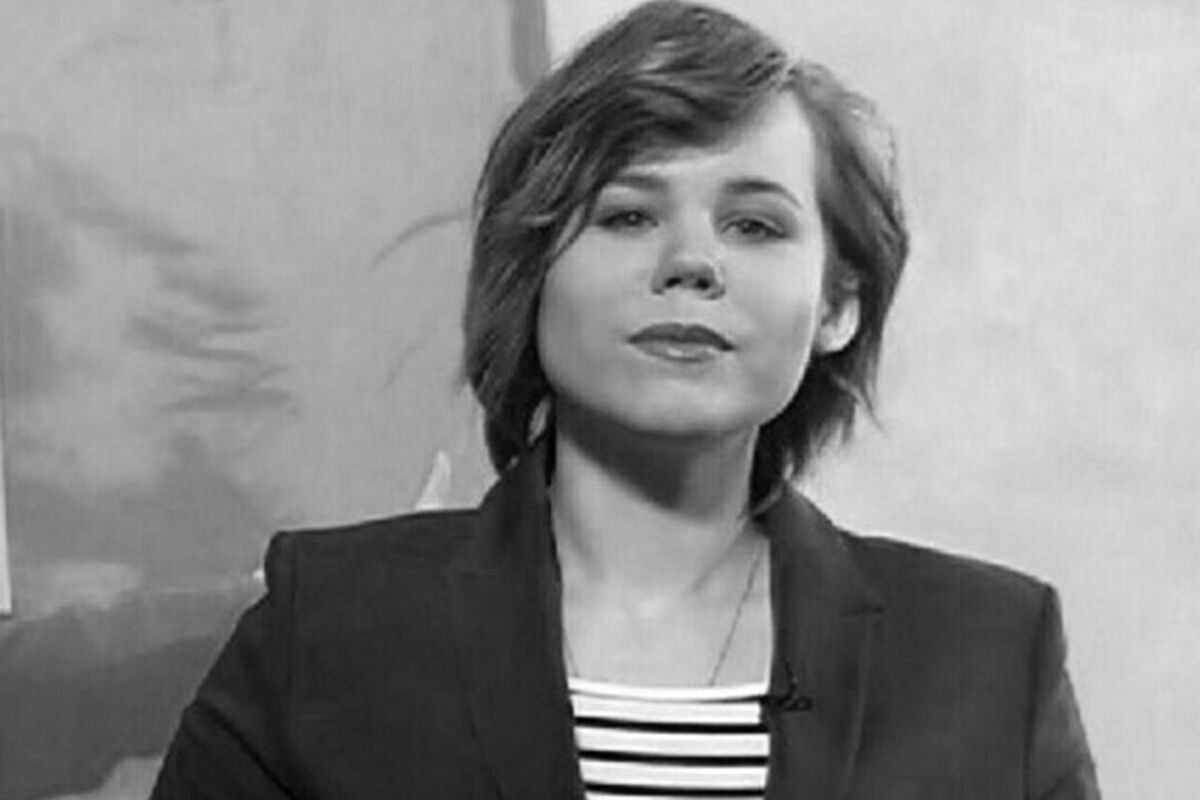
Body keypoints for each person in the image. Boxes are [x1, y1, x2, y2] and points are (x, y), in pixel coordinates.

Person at [151, 1, 1100, 798]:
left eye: (754, 224)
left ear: (836, 306)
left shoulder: (989, 656)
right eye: (628, 215)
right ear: (532, 272)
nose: (691, 262)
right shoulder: (329, 629)